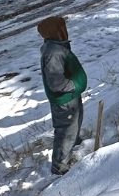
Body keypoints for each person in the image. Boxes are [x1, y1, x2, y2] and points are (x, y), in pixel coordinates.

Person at [37, 15, 87, 176]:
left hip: (70, 97)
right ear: (55, 32)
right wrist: (74, 85)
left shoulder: (57, 47)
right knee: (65, 132)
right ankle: (60, 168)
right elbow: (56, 82)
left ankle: (74, 146)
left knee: (73, 127)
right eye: (62, 28)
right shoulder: (53, 53)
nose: (65, 30)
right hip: (64, 99)